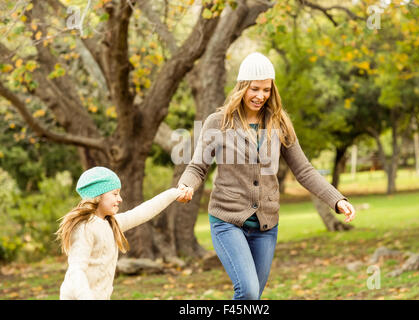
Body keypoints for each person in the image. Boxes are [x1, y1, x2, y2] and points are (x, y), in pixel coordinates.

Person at [176, 52, 356, 300]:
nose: (261, 96)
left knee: (253, 298)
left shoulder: (279, 124)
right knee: (248, 292)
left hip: (266, 225)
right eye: (255, 89)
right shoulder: (218, 122)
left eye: (266, 90)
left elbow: (304, 170)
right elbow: (197, 167)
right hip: (227, 220)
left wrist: (337, 200)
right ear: (241, 87)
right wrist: (186, 186)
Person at [56, 166, 184, 300]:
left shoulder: (112, 223)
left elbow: (143, 212)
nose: (120, 199)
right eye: (115, 194)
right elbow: (76, 270)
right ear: (98, 196)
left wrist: (174, 193)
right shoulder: (84, 227)